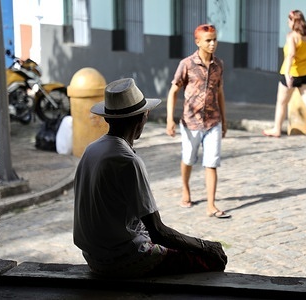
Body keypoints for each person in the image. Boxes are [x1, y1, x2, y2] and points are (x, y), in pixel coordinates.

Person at [73, 78, 227, 278]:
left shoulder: (92, 149)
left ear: (107, 119)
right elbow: (159, 232)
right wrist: (205, 245)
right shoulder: (127, 160)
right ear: (141, 119)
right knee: (211, 260)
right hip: (119, 260)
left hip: (94, 257)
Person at [166, 24, 231, 218]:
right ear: (198, 42)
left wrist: (225, 121)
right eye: (208, 40)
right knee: (188, 159)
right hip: (190, 122)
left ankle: (211, 205)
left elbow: (220, 92)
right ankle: (186, 190)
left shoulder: (219, 65)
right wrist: (170, 119)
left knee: (211, 163)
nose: (212, 44)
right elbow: (173, 92)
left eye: (214, 40)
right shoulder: (186, 64)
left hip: (213, 121)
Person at [262, 10, 306, 140]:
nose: (287, 22)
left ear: (294, 22)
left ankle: (276, 129)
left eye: (289, 20)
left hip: (291, 73)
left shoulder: (292, 36)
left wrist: (288, 74)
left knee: (282, 102)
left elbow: (290, 55)